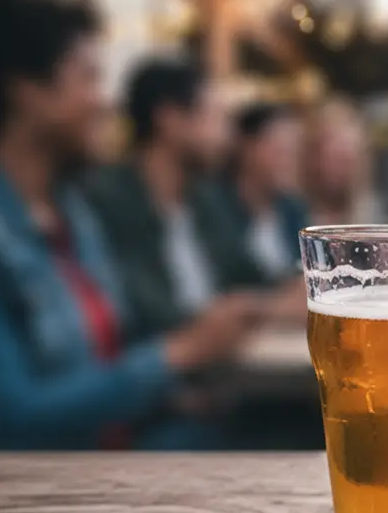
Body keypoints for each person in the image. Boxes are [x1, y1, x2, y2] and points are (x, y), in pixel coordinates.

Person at [0, 0, 260, 450]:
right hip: (14, 499)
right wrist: (179, 353)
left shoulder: (66, 206)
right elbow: (1, 424)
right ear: (25, 92)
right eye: (88, 78)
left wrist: (171, 394)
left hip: (116, 454)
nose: (105, 101)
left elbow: (103, 359)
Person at [82, 58, 264, 346]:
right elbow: (145, 313)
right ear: (168, 119)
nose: (227, 137)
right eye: (214, 117)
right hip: (165, 371)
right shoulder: (109, 199)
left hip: (220, 361)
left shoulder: (204, 198)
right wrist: (249, 310)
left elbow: (252, 277)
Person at [218, 102, 308, 288]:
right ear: (247, 148)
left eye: (295, 153)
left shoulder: (293, 211)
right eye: (281, 151)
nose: (290, 163)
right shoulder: (216, 212)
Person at [303, 99, 376, 226]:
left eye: (346, 159)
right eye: (333, 157)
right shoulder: (290, 219)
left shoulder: (379, 216)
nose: (340, 170)